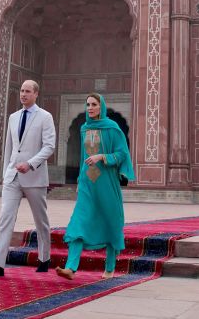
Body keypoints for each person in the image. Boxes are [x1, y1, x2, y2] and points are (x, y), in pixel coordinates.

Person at [0, 79, 57, 278]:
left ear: (36, 94)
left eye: (27, 91)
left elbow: (49, 146)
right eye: (22, 91)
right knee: (5, 219)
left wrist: (31, 163)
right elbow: (10, 147)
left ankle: (44, 258)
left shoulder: (45, 117)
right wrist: (7, 172)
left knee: (40, 220)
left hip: (34, 176)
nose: (23, 94)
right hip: (13, 175)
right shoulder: (13, 117)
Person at [55, 92, 134, 280]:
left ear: (101, 107)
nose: (89, 108)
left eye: (93, 104)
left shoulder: (112, 128)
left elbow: (122, 154)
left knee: (111, 222)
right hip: (88, 183)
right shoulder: (84, 128)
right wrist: (81, 180)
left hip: (107, 183)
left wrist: (102, 157)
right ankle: (71, 268)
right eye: (88, 104)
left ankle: (109, 267)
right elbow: (84, 158)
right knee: (78, 222)